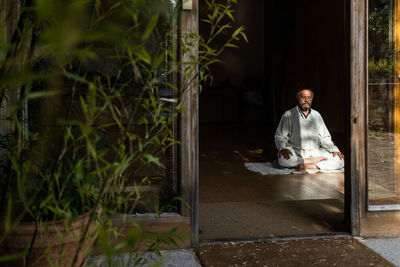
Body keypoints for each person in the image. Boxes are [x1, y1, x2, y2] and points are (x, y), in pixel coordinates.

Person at [274, 88, 344, 171]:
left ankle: (310, 166)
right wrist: (282, 148)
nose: (306, 100)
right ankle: (312, 162)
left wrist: (334, 150)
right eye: (303, 97)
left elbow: (325, 137)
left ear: (311, 99)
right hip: (296, 152)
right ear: (298, 98)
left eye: (309, 97)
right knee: (283, 160)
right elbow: (279, 136)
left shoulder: (316, 115)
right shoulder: (288, 115)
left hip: (315, 152)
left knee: (340, 160)